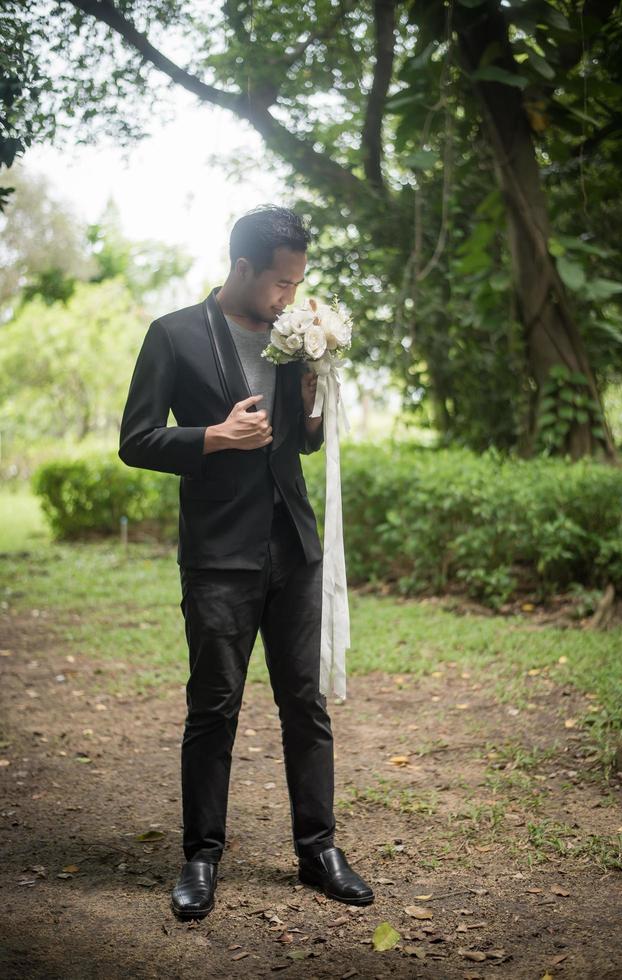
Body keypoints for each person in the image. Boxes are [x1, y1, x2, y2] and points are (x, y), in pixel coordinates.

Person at [118, 205, 374, 921]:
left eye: (297, 284)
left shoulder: (295, 342)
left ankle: (318, 849)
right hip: (219, 557)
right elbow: (136, 439)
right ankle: (201, 857)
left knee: (306, 704)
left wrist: (314, 404)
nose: (290, 298)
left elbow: (301, 444)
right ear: (242, 269)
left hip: (293, 547)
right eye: (281, 283)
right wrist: (214, 437)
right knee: (214, 708)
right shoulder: (172, 335)